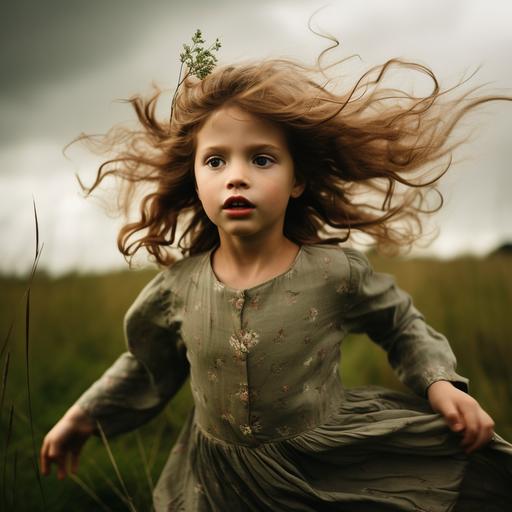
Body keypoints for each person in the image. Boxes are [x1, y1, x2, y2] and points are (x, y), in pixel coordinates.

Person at [40, 42, 512, 511]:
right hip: (218, 483)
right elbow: (146, 366)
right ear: (196, 178)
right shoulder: (176, 289)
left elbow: (401, 325)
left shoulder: (333, 271)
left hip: (323, 466)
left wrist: (440, 383)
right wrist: (82, 417)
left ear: (297, 180)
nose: (236, 177)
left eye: (261, 159)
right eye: (216, 160)